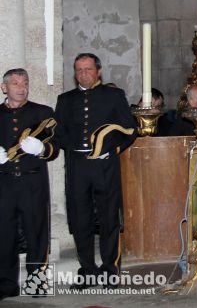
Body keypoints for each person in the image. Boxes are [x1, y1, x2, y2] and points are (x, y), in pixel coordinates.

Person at [54, 53, 138, 290]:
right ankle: (88, 271)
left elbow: (130, 130)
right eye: (79, 70)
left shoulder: (113, 96)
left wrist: (111, 150)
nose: (83, 74)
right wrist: (73, 147)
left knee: (109, 218)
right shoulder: (65, 99)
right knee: (80, 219)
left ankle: (111, 271)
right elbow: (58, 132)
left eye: (88, 69)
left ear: (98, 71)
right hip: (78, 166)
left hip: (104, 165)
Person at [0, 69, 58, 299]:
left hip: (33, 182)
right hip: (3, 184)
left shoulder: (42, 113)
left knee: (37, 233)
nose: (21, 87)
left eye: (24, 83)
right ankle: (5, 285)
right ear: (4, 88)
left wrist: (42, 149)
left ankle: (37, 284)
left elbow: (57, 144)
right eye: (15, 83)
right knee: (4, 236)